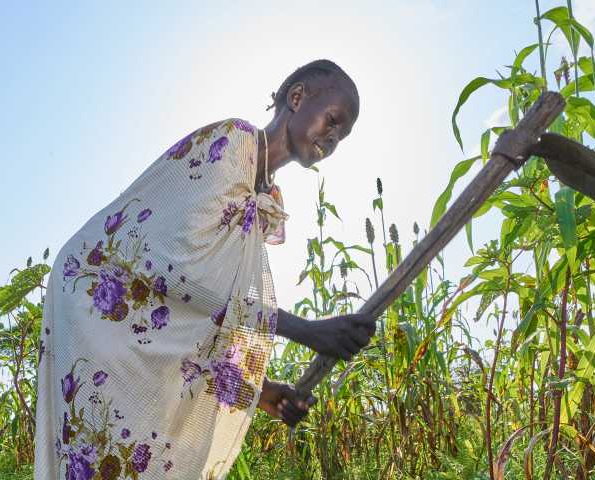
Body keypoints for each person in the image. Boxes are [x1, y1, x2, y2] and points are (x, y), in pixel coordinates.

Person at [33, 59, 375, 479]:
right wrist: (304, 330)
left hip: (147, 305)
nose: (332, 137)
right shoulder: (234, 143)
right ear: (298, 97)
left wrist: (260, 391)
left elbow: (205, 318)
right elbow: (179, 277)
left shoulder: (264, 197)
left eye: (341, 135)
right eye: (333, 120)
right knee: (107, 445)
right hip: (95, 294)